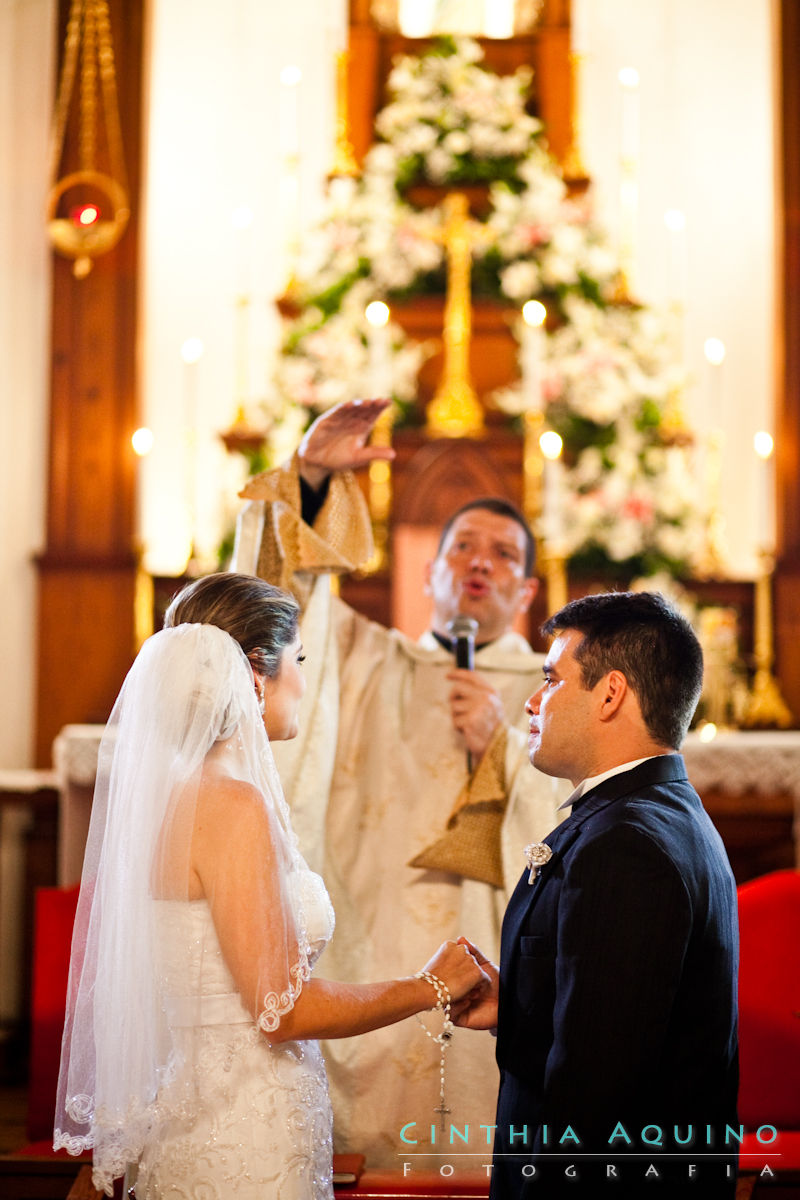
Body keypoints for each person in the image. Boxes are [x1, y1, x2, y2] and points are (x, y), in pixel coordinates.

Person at [53, 572, 488, 1199]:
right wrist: (427, 989)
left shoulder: (171, 800)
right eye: (300, 660)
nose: (306, 682)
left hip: (196, 1106)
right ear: (256, 677)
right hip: (242, 1129)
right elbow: (280, 1010)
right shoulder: (230, 804)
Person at [232, 399, 568, 1164]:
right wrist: (313, 480)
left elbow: (601, 822)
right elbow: (282, 617)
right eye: (463, 549)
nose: (481, 562)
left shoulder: (565, 687)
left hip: (500, 966)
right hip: (376, 956)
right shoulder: (365, 660)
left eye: (504, 555)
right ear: (431, 571)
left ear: (526, 591)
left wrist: (508, 749)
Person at [454, 591, 740, 1198]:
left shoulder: (625, 845)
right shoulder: (657, 811)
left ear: (610, 694)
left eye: (551, 679)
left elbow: (595, 1096)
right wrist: (522, 1006)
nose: (531, 702)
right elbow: (624, 1026)